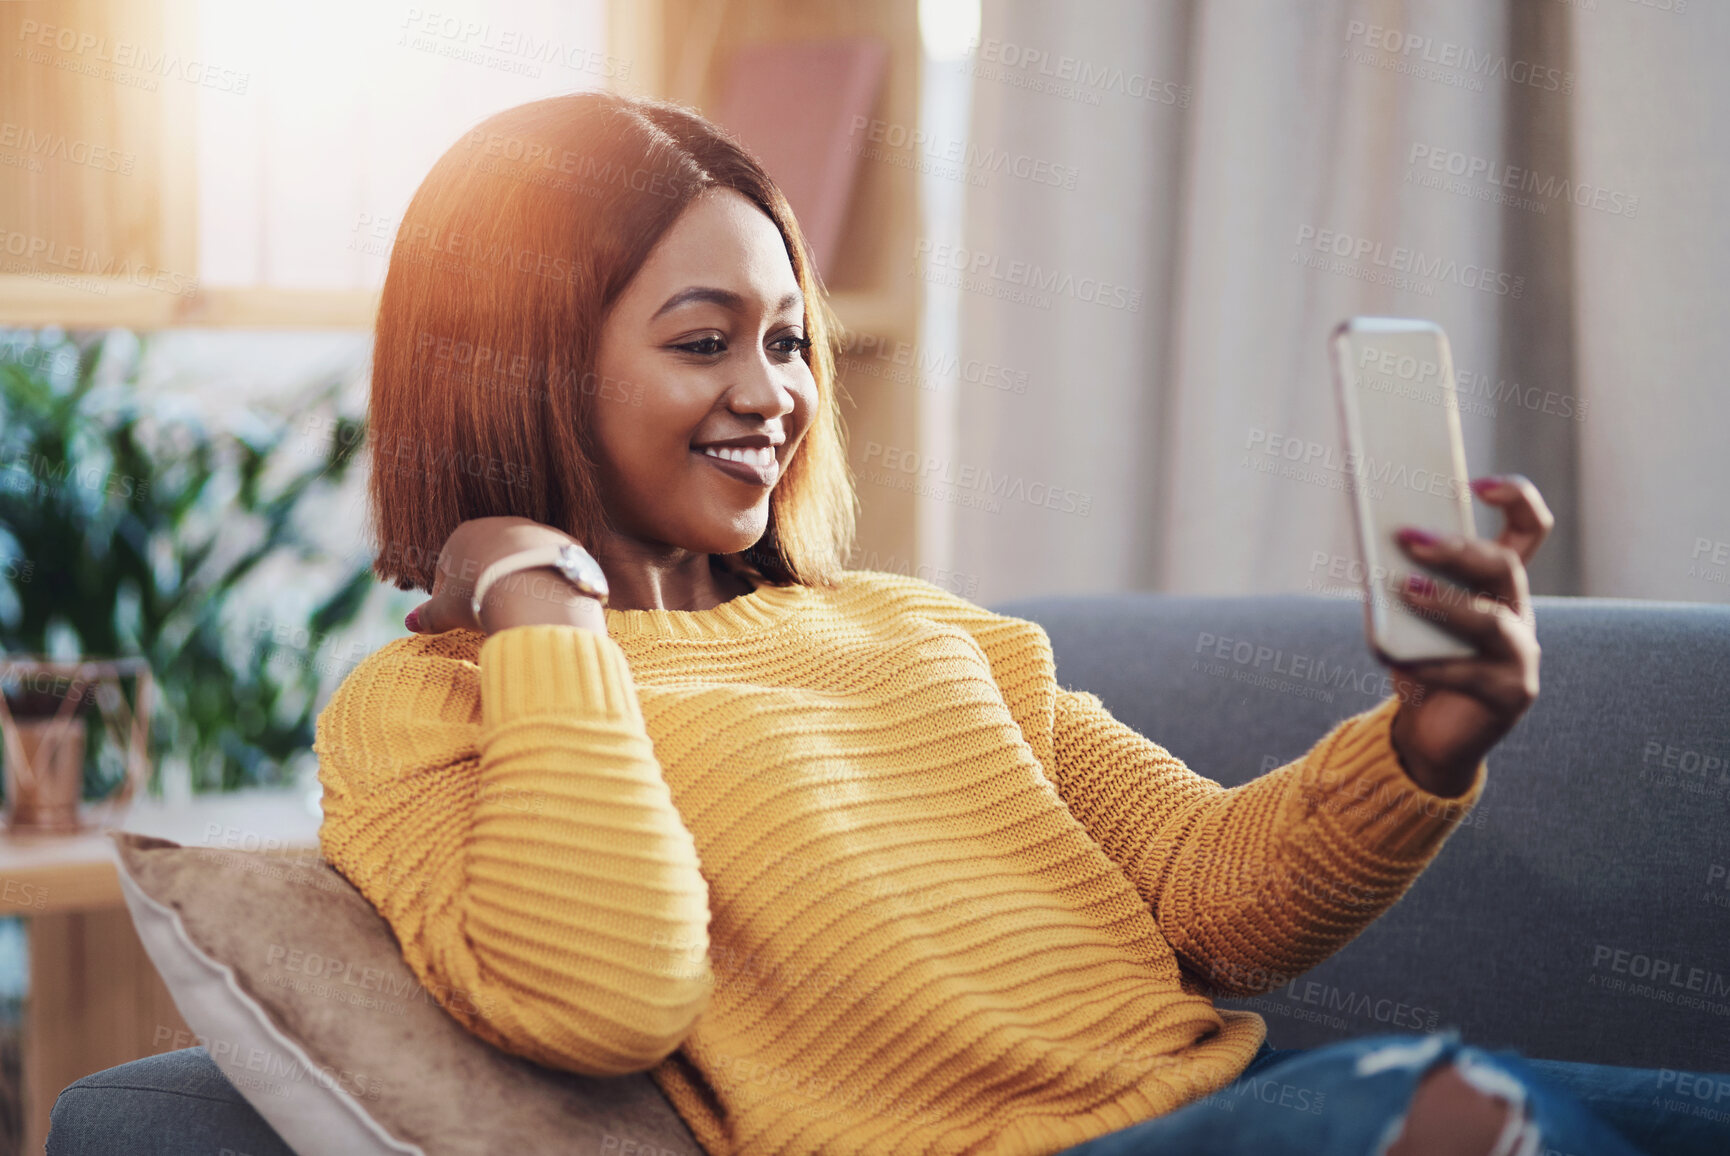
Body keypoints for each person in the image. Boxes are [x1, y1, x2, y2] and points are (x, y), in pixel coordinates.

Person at [95, 91, 1729, 1156]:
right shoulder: (440, 706)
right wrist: (540, 598)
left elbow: (1215, 898)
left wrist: (1428, 741)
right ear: (521, 359)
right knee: (1451, 1111)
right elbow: (604, 995)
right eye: (702, 340)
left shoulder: (922, 632)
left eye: (791, 338)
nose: (773, 394)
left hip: (1243, 1117)